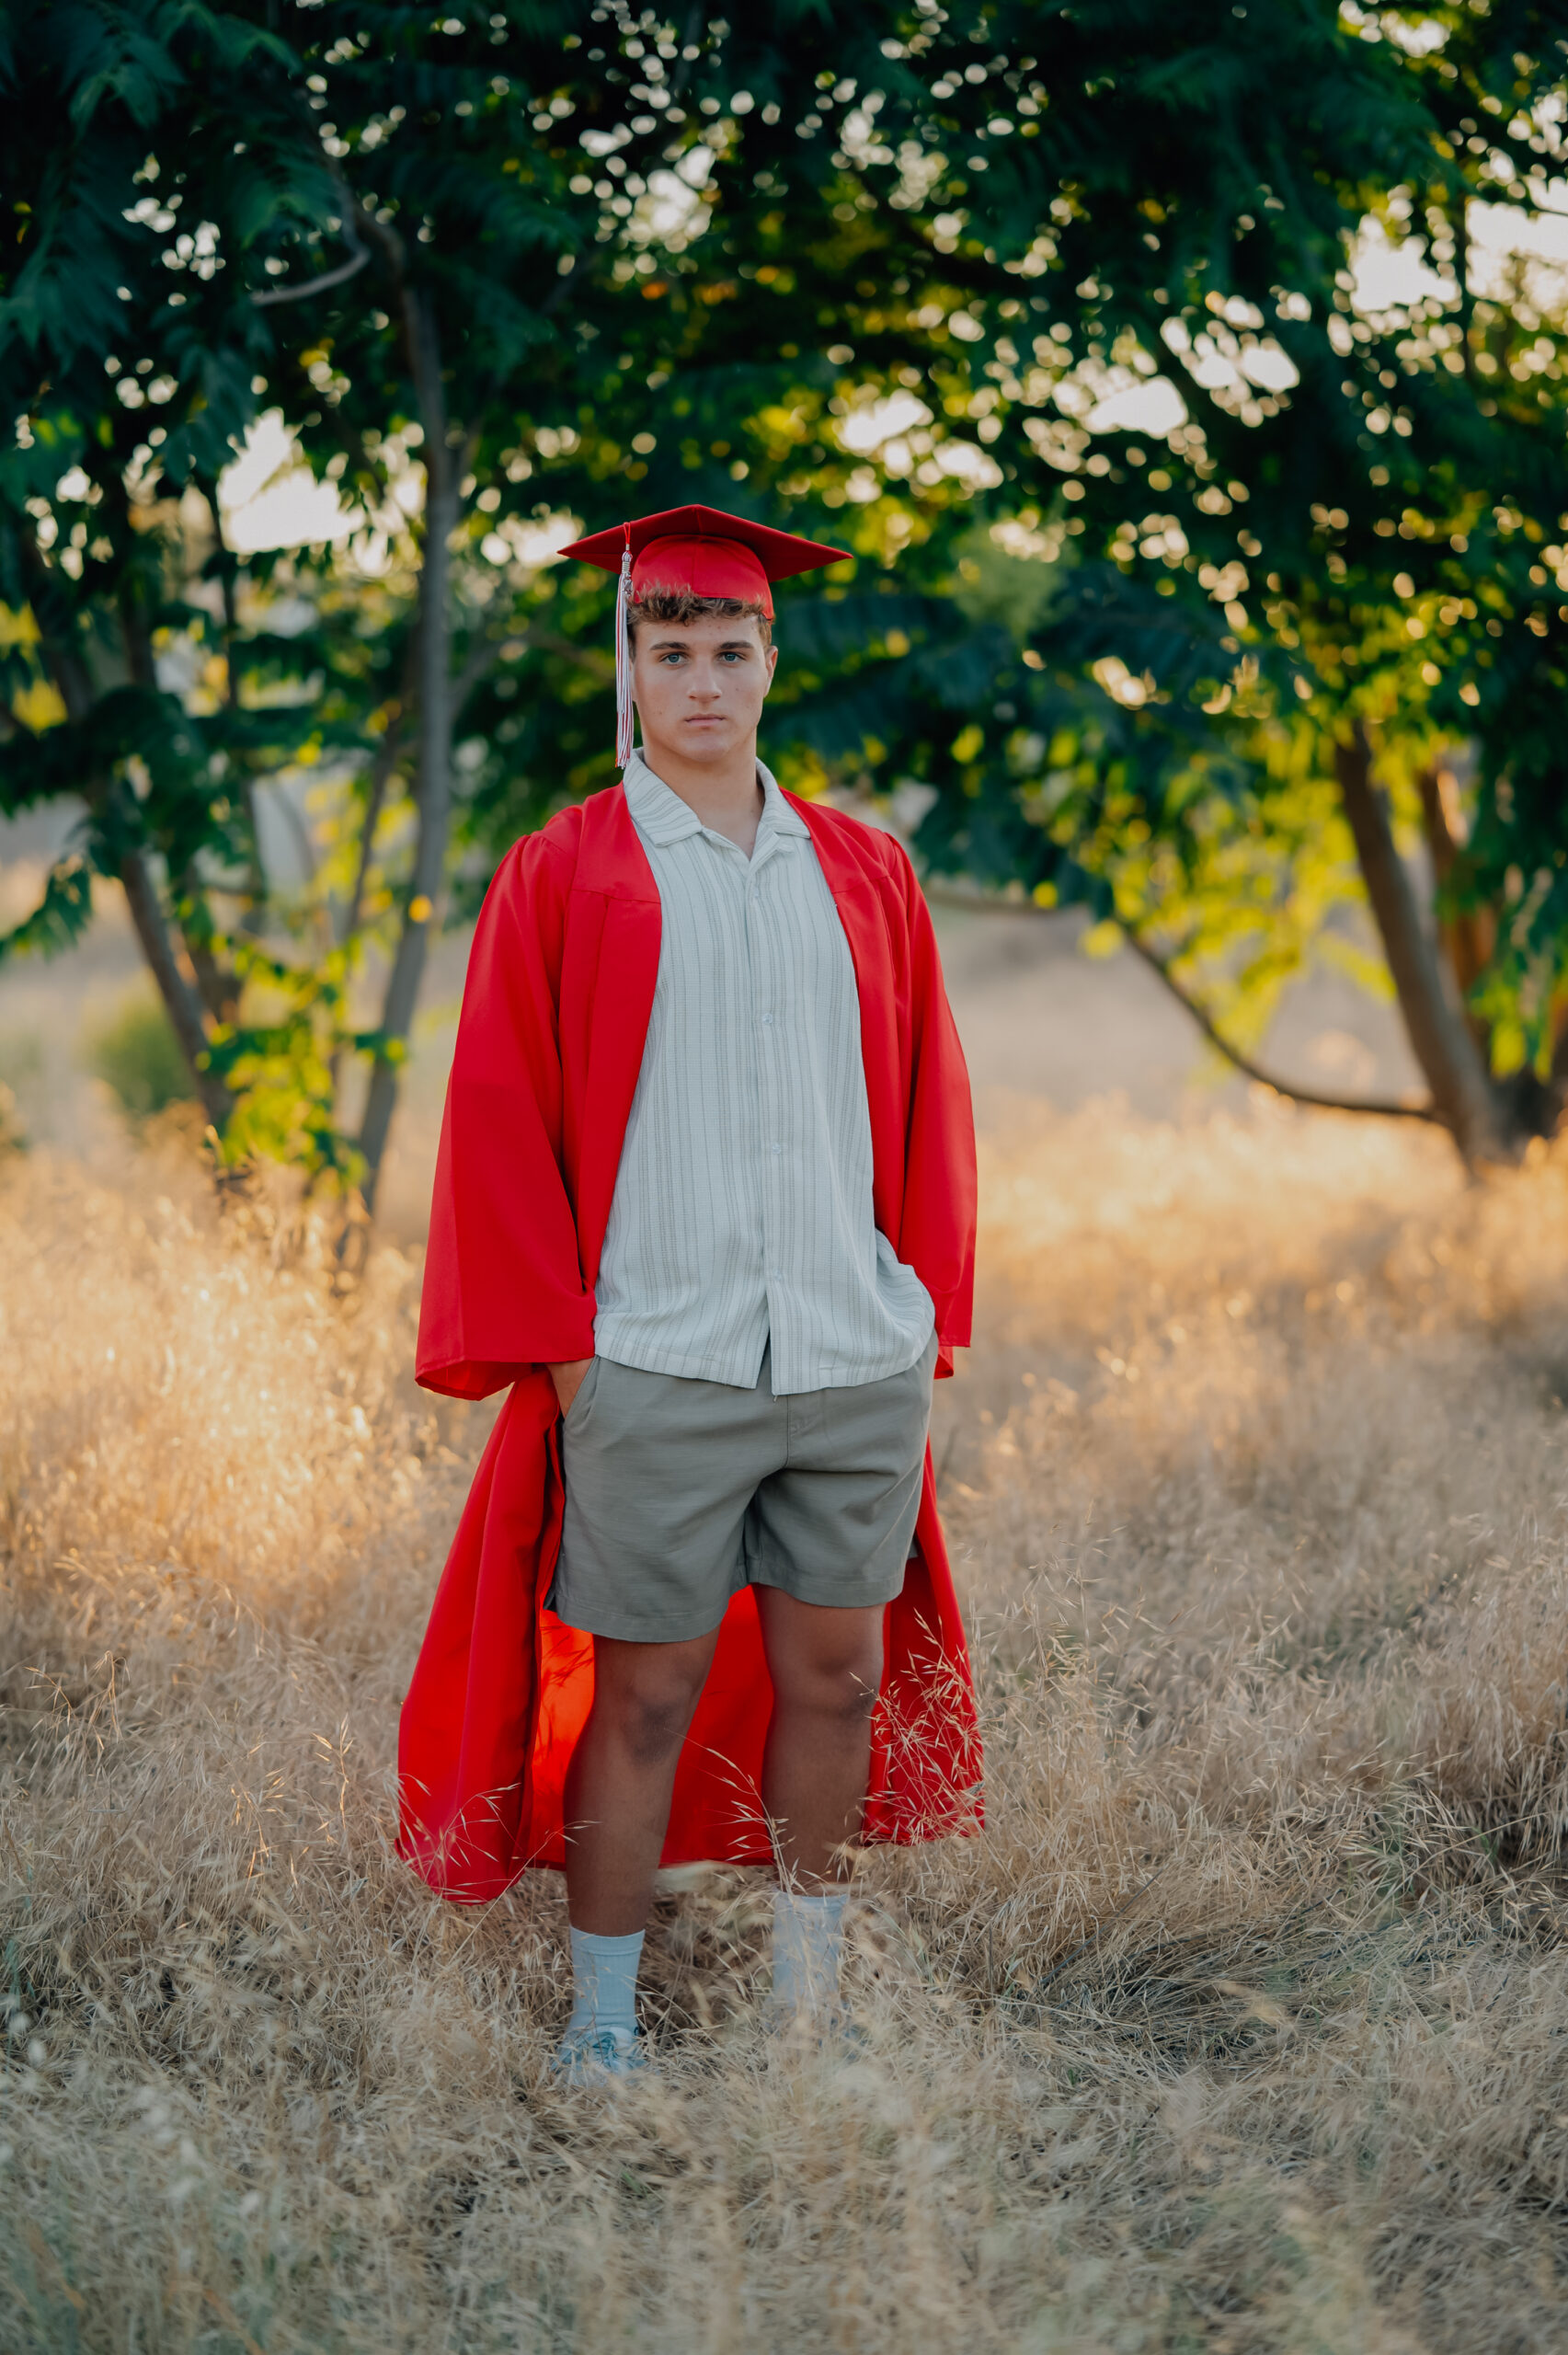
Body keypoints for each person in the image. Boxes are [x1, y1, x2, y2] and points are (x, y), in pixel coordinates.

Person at [397, 505, 980, 2077]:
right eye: (673, 653)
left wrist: (923, 1307)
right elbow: (500, 1125)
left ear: (772, 659)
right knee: (640, 1699)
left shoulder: (861, 871)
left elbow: (927, 1097)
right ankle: (601, 2026)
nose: (704, 683)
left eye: (732, 650)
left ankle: (806, 2015)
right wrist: (573, 1368)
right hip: (662, 1354)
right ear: (632, 667)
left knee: (837, 1679)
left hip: (846, 1352)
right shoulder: (564, 873)